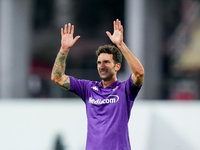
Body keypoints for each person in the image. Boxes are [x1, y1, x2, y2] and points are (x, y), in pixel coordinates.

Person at [51, 19, 144, 150]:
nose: (102, 66)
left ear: (117, 66)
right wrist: (64, 49)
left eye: (106, 62)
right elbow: (57, 77)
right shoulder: (88, 88)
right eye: (99, 62)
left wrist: (121, 45)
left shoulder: (125, 90)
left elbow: (139, 73)